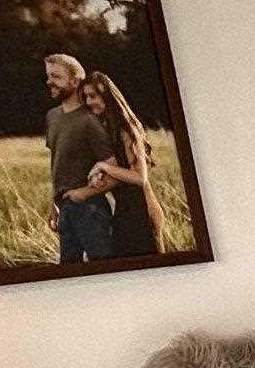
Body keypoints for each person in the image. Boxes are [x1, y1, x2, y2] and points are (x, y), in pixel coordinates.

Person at [75, 69, 169, 258]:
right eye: (85, 97)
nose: (88, 102)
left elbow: (139, 177)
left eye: (93, 96)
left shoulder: (126, 130)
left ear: (106, 95)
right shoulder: (108, 129)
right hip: (125, 213)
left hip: (142, 213)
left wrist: (103, 166)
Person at [42, 52, 116, 265]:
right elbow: (56, 163)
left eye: (56, 76)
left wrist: (83, 194)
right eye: (48, 76)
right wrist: (53, 204)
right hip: (64, 207)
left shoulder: (89, 121)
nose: (49, 82)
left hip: (90, 210)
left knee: (104, 270)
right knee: (69, 270)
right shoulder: (52, 116)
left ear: (75, 81)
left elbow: (112, 167)